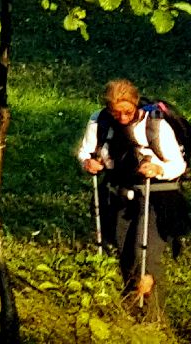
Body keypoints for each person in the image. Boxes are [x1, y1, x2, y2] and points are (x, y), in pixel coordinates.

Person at [79, 79, 186, 302]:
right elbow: (86, 152)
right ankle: (131, 306)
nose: (123, 118)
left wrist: (158, 168)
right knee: (123, 251)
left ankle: (154, 315)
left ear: (136, 104)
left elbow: (178, 165)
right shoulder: (99, 121)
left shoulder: (156, 126)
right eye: (116, 113)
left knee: (144, 254)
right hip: (121, 192)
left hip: (159, 194)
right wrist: (88, 163)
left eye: (127, 112)